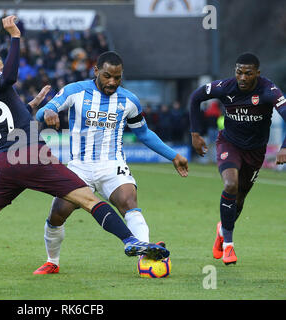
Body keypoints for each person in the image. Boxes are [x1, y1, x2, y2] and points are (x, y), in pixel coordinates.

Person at [0, 16, 168, 278]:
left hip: (7, 164)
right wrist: (15, 37)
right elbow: (9, 77)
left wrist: (32, 104)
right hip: (31, 155)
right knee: (89, 199)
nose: (3, 70)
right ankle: (131, 241)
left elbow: (8, 121)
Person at [33, 51, 189, 274]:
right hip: (79, 166)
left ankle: (145, 254)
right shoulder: (75, 91)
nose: (112, 82)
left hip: (112, 165)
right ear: (96, 71)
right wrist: (48, 111)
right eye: (107, 76)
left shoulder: (129, 100)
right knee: (57, 213)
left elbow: (144, 134)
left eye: (117, 77)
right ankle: (52, 261)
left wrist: (173, 155)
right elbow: (43, 112)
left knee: (128, 201)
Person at [189, 52, 286, 265]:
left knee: (239, 199)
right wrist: (195, 133)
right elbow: (196, 97)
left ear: (257, 74)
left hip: (255, 151)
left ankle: (222, 231)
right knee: (230, 184)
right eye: (239, 72)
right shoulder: (225, 87)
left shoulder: (269, 91)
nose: (242, 77)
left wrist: (284, 147)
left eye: (248, 73)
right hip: (229, 144)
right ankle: (229, 246)